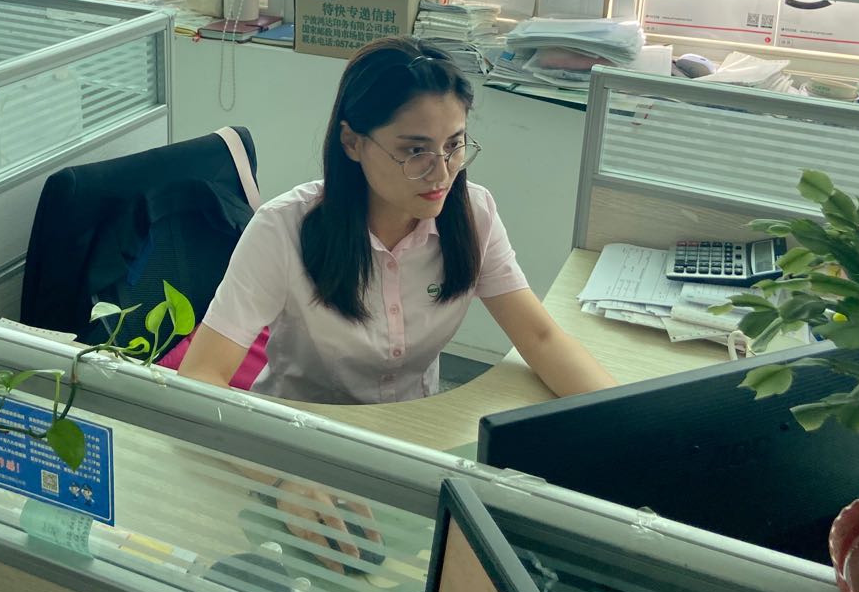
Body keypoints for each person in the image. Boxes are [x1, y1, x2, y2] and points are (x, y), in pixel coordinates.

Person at [179, 36, 615, 564]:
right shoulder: (283, 229)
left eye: (454, 145)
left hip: (415, 439)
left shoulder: (473, 215)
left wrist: (629, 426)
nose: (442, 172)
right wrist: (281, 476)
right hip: (298, 446)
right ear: (352, 142)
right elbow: (200, 377)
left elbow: (541, 337)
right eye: (414, 151)